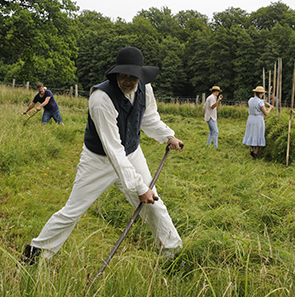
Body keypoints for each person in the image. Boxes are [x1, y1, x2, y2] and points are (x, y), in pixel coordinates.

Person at [21, 46, 184, 265]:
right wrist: (139, 188)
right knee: (72, 211)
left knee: (153, 203)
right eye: (123, 75)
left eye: (133, 76)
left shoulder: (145, 88)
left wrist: (168, 136)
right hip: (98, 161)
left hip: (132, 153)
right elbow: (113, 150)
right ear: (116, 73)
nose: (128, 80)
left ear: (140, 75)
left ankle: (173, 252)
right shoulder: (101, 99)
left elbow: (148, 118)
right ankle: (34, 256)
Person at [242, 86, 274, 158]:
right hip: (258, 120)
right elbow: (265, 113)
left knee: (251, 133)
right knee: (258, 134)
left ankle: (251, 149)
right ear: (261, 93)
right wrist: (270, 108)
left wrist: (262, 101)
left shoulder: (250, 100)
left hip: (250, 119)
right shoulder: (260, 102)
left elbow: (255, 102)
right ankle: (255, 153)